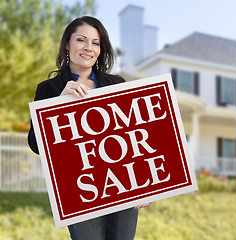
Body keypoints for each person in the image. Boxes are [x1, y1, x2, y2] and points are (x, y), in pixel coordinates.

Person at [27, 16, 149, 240]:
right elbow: (36, 144)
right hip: (80, 190)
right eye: (81, 40)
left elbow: (132, 138)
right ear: (67, 44)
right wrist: (58, 104)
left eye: (95, 42)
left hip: (123, 185)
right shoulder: (49, 89)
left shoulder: (116, 84)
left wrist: (143, 187)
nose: (88, 48)